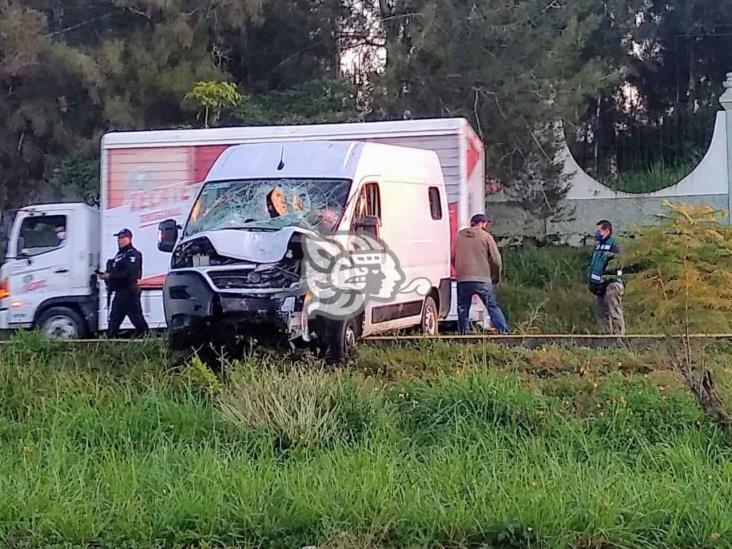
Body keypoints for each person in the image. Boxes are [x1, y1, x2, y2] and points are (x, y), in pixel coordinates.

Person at [451, 213, 509, 334]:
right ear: (482, 224)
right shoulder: (486, 237)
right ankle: (503, 331)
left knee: (463, 308)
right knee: (492, 306)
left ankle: (464, 334)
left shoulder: (459, 237)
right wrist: (496, 277)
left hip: (463, 279)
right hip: (482, 279)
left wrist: (460, 271)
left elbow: (452, 257)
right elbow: (496, 260)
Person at [99, 228, 149, 338]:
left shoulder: (132, 254)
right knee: (114, 321)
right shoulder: (119, 255)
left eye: (122, 238)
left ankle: (147, 339)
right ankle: (110, 341)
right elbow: (116, 270)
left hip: (129, 292)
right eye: (118, 238)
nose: (119, 240)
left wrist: (110, 276)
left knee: (137, 320)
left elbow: (130, 274)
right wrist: (106, 275)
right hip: (120, 292)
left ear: (129, 239)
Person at [586, 219, 625, 335]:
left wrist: (608, 278)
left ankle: (618, 339)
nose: (596, 234)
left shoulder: (614, 246)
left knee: (614, 312)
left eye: (599, 231)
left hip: (611, 284)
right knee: (601, 314)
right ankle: (605, 339)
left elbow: (618, 265)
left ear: (607, 231)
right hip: (599, 286)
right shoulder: (599, 247)